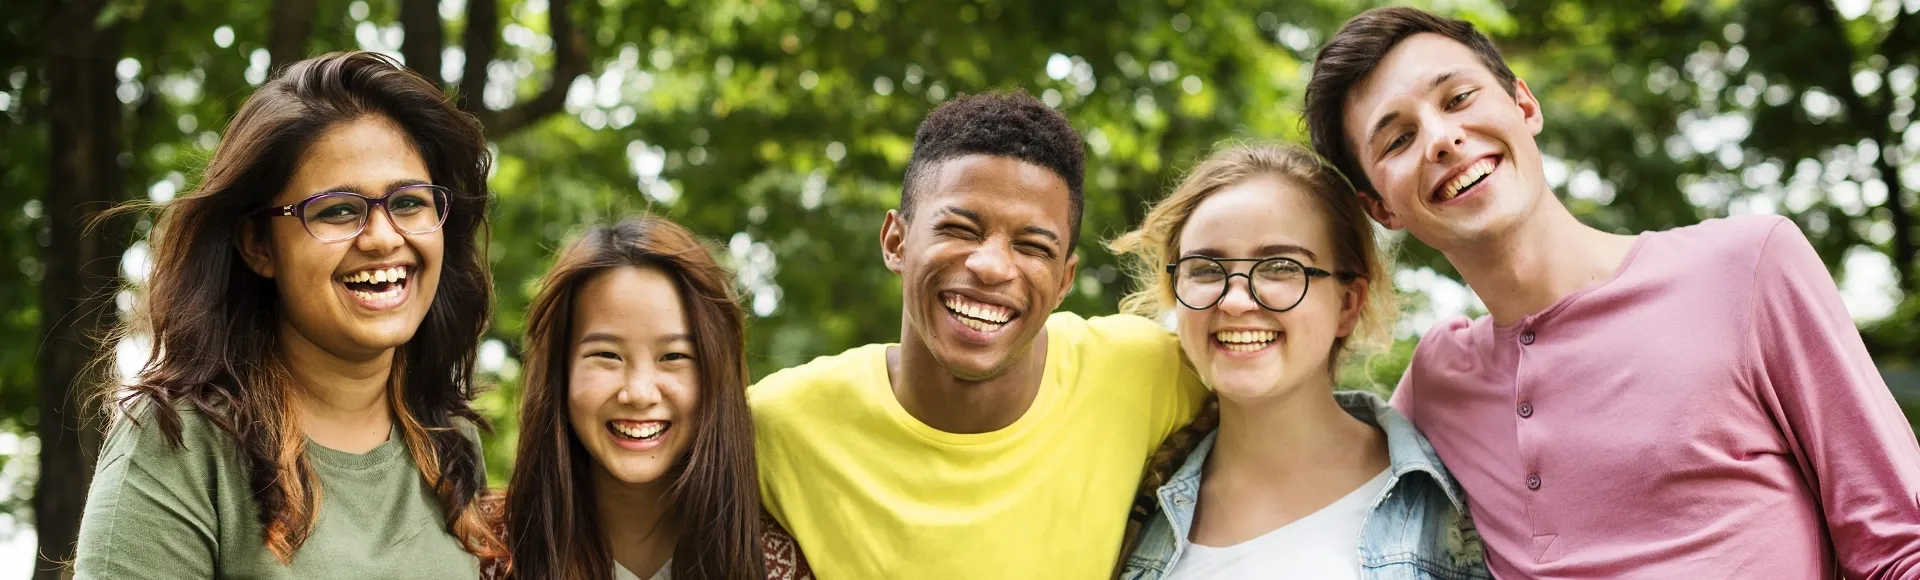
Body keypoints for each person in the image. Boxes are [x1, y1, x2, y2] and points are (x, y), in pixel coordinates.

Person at [1303, 6, 1920, 577]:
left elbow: (1900, 546)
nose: (1441, 138)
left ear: (1524, 104)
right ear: (1380, 208)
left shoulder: (1747, 268)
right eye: (1398, 139)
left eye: (1459, 98)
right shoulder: (1437, 381)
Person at [74, 51, 502, 577]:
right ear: (258, 245)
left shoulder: (448, 437)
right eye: (339, 209)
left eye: (410, 202)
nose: (385, 237)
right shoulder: (177, 441)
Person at [748, 91, 1210, 578]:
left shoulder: (1146, 368)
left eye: (1032, 245)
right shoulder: (775, 424)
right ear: (896, 242)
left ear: (1064, 282)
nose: (991, 267)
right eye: (961, 229)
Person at [1110, 143, 1488, 579]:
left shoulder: (1454, 503)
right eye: (1206, 269)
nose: (1234, 300)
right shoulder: (1128, 504)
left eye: (1280, 267)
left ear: (1348, 303)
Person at [483, 216, 812, 580]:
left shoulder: (784, 562)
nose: (638, 393)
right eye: (607, 356)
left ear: (717, 375)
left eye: (673, 357)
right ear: (561, 373)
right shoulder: (480, 551)